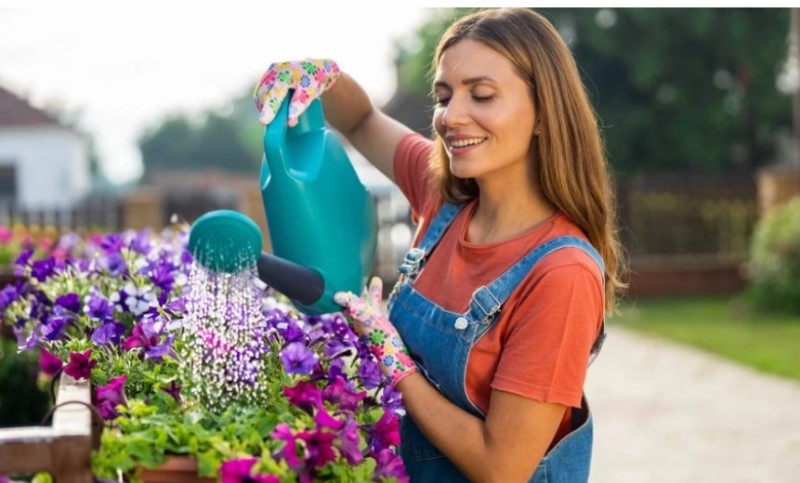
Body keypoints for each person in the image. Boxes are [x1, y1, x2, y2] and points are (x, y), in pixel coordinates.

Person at [253, 8, 625, 482]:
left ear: (543, 113)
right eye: (444, 96)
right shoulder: (444, 196)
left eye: (482, 95)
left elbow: (502, 467)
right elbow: (364, 119)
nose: (452, 116)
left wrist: (392, 358)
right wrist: (319, 76)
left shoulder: (562, 274)